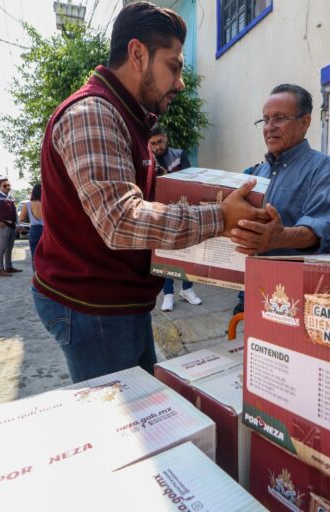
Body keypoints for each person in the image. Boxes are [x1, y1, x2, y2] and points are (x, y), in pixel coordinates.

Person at [32, 1, 267, 383]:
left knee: (144, 414)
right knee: (121, 428)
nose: (180, 82)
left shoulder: (126, 117)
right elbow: (122, 221)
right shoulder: (94, 113)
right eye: (174, 66)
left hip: (120, 302)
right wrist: (220, 217)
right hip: (93, 306)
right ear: (138, 54)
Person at [231, 83, 330, 315]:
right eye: (265, 120)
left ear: (305, 122)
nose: (269, 128)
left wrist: (280, 238)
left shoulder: (324, 168)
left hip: (303, 293)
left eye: (279, 118)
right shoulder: (257, 174)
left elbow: (317, 231)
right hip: (257, 286)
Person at [149, 124, 201, 311]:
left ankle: (187, 289)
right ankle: (168, 294)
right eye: (153, 144)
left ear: (166, 137)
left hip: (183, 210)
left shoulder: (179, 155)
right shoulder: (147, 161)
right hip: (160, 213)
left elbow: (189, 180)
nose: (157, 147)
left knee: (188, 252)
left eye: (160, 141)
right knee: (165, 255)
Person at [19, 183, 44, 271]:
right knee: (47, 254)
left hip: (34, 230)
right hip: (46, 230)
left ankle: (37, 276)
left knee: (34, 254)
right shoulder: (47, 202)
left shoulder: (27, 205)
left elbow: (20, 219)